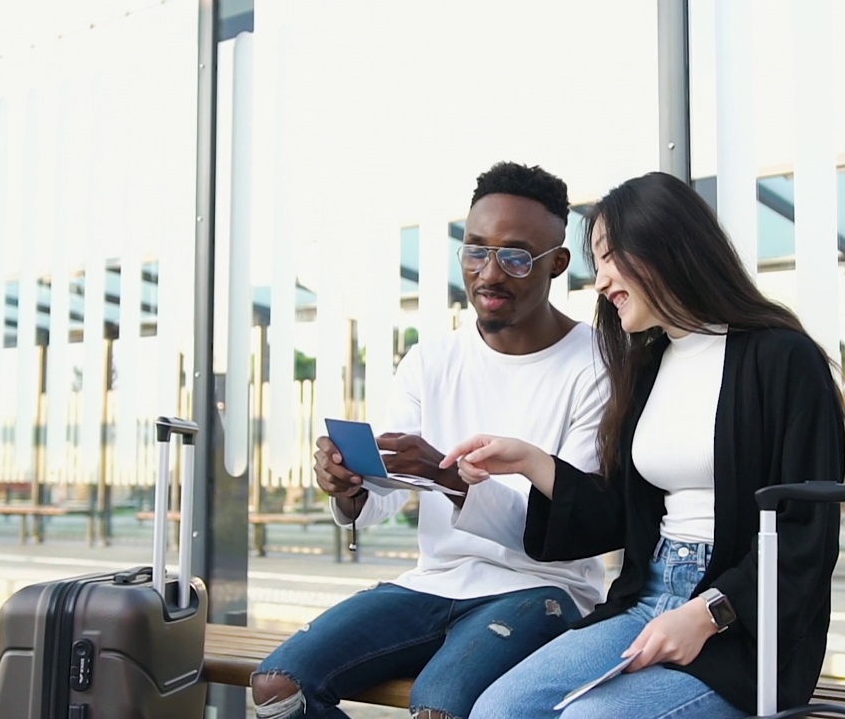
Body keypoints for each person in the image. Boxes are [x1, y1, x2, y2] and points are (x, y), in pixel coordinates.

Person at [442, 171, 845, 718]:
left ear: (666, 246)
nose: (600, 282)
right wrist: (532, 462)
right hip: (644, 599)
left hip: (744, 632)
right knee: (499, 710)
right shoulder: (647, 365)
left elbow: (807, 535)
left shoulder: (782, 359)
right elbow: (621, 516)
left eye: (610, 258)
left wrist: (709, 612)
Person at [251, 162, 609, 719]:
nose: (489, 274)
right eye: (475, 250)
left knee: (438, 707)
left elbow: (571, 529)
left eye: (515, 256)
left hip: (545, 589)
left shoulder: (597, 366)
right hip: (433, 583)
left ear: (557, 263)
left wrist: (448, 478)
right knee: (278, 687)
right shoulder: (430, 360)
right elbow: (383, 492)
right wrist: (349, 486)